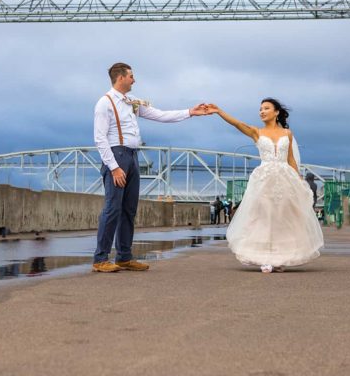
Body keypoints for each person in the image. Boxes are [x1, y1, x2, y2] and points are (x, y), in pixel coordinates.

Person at [92, 63, 210, 272]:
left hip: (132, 155)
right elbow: (100, 138)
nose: (134, 80)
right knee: (112, 208)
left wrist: (190, 112)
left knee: (129, 209)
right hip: (117, 155)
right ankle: (100, 259)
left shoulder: (131, 102)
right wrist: (113, 167)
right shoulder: (105, 103)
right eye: (131, 76)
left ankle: (124, 257)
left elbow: (160, 115)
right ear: (120, 78)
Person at [206, 98, 324, 273]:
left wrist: (298, 180)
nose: (262, 111)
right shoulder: (256, 132)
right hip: (264, 178)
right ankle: (265, 258)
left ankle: (280, 258)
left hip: (285, 178)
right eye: (260, 109)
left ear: (276, 112)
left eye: (266, 108)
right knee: (263, 217)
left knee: (283, 218)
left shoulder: (287, 134)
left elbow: (290, 158)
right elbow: (237, 124)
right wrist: (219, 111)